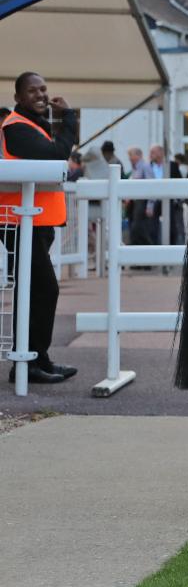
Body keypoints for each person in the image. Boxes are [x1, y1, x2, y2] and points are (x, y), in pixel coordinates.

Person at [0, 72, 79, 384]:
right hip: (20, 221)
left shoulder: (32, 124)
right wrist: (69, 118)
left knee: (33, 291)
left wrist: (58, 122)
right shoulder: (16, 127)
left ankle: (37, 359)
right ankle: (30, 362)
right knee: (44, 288)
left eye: (43, 89)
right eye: (32, 91)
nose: (41, 94)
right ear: (18, 98)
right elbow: (58, 156)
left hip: (34, 221)